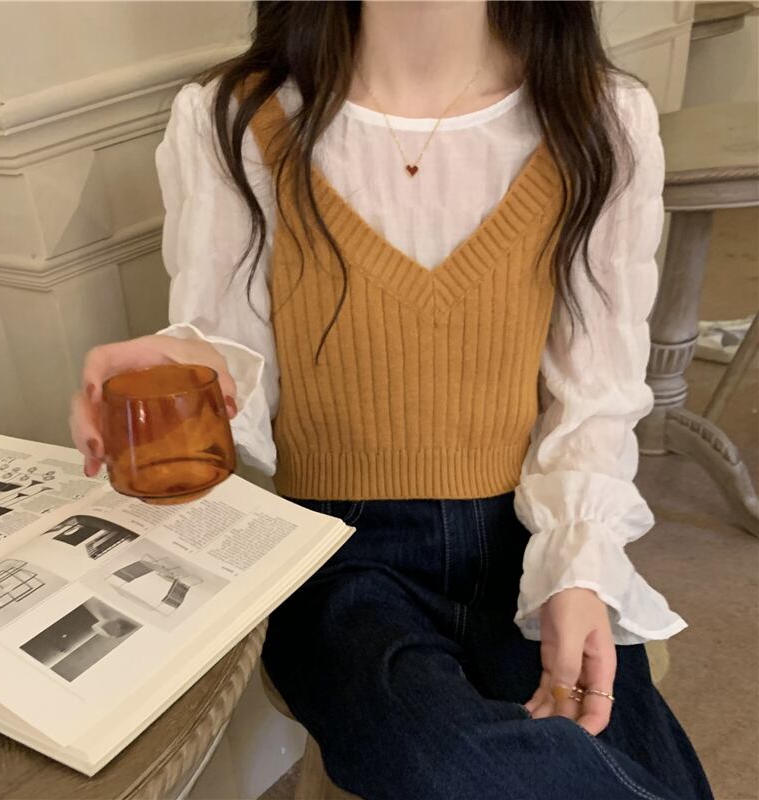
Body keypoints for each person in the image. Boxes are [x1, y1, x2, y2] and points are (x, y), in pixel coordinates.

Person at [69, 2, 715, 798]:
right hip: (336, 557)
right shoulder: (234, 121)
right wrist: (183, 365)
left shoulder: (599, 118)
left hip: (525, 536)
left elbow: (597, 395)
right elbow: (230, 356)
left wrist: (579, 568)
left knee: (617, 753)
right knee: (452, 763)